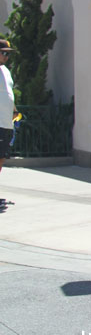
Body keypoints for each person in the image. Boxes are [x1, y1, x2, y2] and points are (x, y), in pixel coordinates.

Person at [0, 39, 15, 210]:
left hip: (6, 123)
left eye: (8, 53)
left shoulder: (6, 71)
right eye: (4, 53)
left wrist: (15, 111)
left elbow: (9, 93)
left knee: (1, 158)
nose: (6, 56)